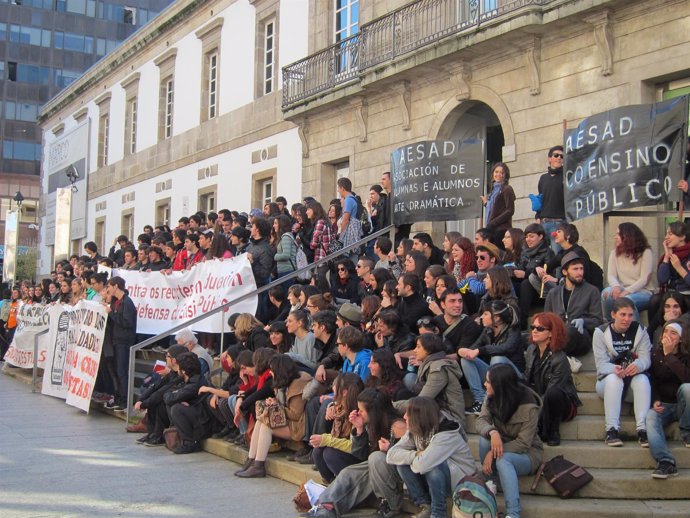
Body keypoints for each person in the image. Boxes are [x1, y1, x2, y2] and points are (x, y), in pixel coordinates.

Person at [310, 388, 405, 518]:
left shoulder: (398, 427)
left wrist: (390, 449)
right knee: (348, 473)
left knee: (376, 457)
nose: (358, 412)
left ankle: (391, 506)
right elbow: (361, 455)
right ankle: (324, 508)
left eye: (361, 410)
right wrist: (359, 429)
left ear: (373, 412)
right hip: (376, 468)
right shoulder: (372, 424)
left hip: (395, 477)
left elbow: (407, 461)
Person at [387, 397, 475, 518]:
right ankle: (425, 505)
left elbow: (422, 465)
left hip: (460, 480)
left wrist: (419, 458)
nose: (404, 417)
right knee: (402, 465)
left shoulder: (446, 432)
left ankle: (438, 512)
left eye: (408, 413)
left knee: (432, 467)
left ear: (419, 416)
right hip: (436, 477)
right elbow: (391, 454)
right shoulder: (415, 429)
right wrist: (416, 454)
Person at [475, 364, 543, 518]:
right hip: (502, 442)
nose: (485, 384)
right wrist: (492, 432)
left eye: (488, 381)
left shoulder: (529, 406)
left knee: (502, 460)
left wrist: (493, 452)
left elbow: (524, 443)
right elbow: (481, 421)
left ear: (499, 385)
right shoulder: (491, 396)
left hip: (528, 452)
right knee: (484, 439)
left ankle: (513, 513)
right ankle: (490, 481)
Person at [235, 355, 312, 478]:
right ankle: (251, 460)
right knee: (261, 421)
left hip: (298, 426)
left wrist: (277, 405)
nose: (271, 372)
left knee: (266, 426)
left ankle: (258, 465)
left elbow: (295, 414)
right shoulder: (286, 383)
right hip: (290, 422)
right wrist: (274, 401)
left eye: (273, 370)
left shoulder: (298, 384)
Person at [593, 297, 652, 447]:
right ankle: (611, 430)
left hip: (632, 382)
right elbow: (601, 365)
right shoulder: (600, 332)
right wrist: (615, 368)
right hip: (607, 384)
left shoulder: (640, 330)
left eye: (630, 315)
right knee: (614, 379)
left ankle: (643, 430)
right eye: (623, 315)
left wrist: (638, 365)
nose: (627, 319)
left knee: (643, 380)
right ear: (613, 314)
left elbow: (646, 359)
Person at [458, 300, 526, 415]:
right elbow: (473, 348)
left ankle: (499, 401)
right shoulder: (487, 331)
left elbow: (505, 348)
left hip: (514, 377)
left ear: (497, 317)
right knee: (467, 359)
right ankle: (480, 401)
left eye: (485, 314)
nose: (481, 317)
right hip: (494, 376)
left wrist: (480, 350)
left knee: (497, 359)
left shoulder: (513, 330)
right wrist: (462, 351)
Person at [524, 313, 582, 446]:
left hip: (562, 403)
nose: (534, 330)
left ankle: (554, 430)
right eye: (533, 327)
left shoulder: (559, 358)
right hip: (540, 395)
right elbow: (527, 379)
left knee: (553, 393)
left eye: (539, 328)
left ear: (551, 333)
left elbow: (554, 388)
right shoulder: (531, 350)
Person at [645, 320, 690, 479]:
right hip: (664, 404)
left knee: (688, 388)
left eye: (673, 333)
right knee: (650, 417)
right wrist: (655, 399)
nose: (668, 336)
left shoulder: (686, 356)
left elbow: (686, 377)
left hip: (683, 405)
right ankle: (666, 462)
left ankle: (687, 431)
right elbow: (654, 380)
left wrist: (670, 355)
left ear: (681, 338)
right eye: (666, 332)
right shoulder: (655, 354)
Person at [544, 252, 604, 357]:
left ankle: (552, 358)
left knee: (570, 331)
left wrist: (583, 322)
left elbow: (598, 321)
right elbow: (546, 320)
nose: (580, 272)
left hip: (581, 337)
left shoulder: (592, 291)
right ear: (565, 271)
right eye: (575, 269)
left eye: (581, 269)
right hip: (558, 335)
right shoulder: (553, 293)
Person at [310, 373, 366, 483]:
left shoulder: (357, 411)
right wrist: (322, 439)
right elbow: (336, 437)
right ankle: (332, 483)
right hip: (348, 451)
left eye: (335, 392)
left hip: (360, 456)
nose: (333, 396)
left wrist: (326, 440)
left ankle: (347, 485)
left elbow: (353, 446)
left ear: (344, 392)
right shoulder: (339, 408)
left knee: (330, 453)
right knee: (318, 451)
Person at [402, 333, 466, 426]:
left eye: (418, 347)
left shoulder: (438, 369)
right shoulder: (427, 364)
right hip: (437, 412)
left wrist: (392, 406)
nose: (415, 350)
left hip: (450, 420)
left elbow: (423, 400)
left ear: (429, 350)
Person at [601, 222, 655, 321]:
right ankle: (609, 324)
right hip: (622, 289)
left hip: (643, 292)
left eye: (618, 234)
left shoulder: (646, 252)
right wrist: (616, 286)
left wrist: (627, 291)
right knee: (606, 294)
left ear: (627, 236)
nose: (615, 237)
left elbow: (644, 279)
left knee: (627, 301)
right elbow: (611, 275)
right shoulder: (614, 253)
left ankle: (636, 332)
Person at [166, 352, 213, 454]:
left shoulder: (195, 383)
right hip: (199, 418)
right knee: (175, 405)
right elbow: (167, 394)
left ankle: (190, 442)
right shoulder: (187, 379)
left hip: (204, 423)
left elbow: (170, 397)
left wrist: (176, 396)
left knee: (177, 408)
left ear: (183, 370)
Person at [104, 276, 137, 410]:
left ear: (116, 286)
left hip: (124, 341)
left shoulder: (127, 302)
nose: (108, 289)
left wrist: (112, 314)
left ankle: (124, 400)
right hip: (116, 340)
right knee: (117, 371)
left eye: (110, 287)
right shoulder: (117, 301)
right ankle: (118, 397)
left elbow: (128, 323)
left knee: (122, 371)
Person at [535, 145, 566, 252]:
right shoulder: (543, 178)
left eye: (562, 156)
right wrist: (537, 217)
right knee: (541, 255)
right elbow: (540, 199)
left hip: (558, 223)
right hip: (543, 222)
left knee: (557, 255)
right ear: (549, 159)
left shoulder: (566, 177)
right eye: (556, 155)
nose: (559, 158)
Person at [482, 162, 516, 248]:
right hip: (491, 230)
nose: (498, 174)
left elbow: (510, 210)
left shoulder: (507, 189)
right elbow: (495, 209)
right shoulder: (492, 192)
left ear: (505, 175)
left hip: (501, 230)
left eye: (502, 172)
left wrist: (493, 223)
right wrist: (486, 203)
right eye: (496, 172)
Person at [337, 177, 363, 262]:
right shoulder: (354, 199)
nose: (338, 191)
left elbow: (346, 219)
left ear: (342, 188)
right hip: (355, 233)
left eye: (338, 188)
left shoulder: (348, 200)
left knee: (349, 261)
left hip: (349, 235)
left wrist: (340, 236)